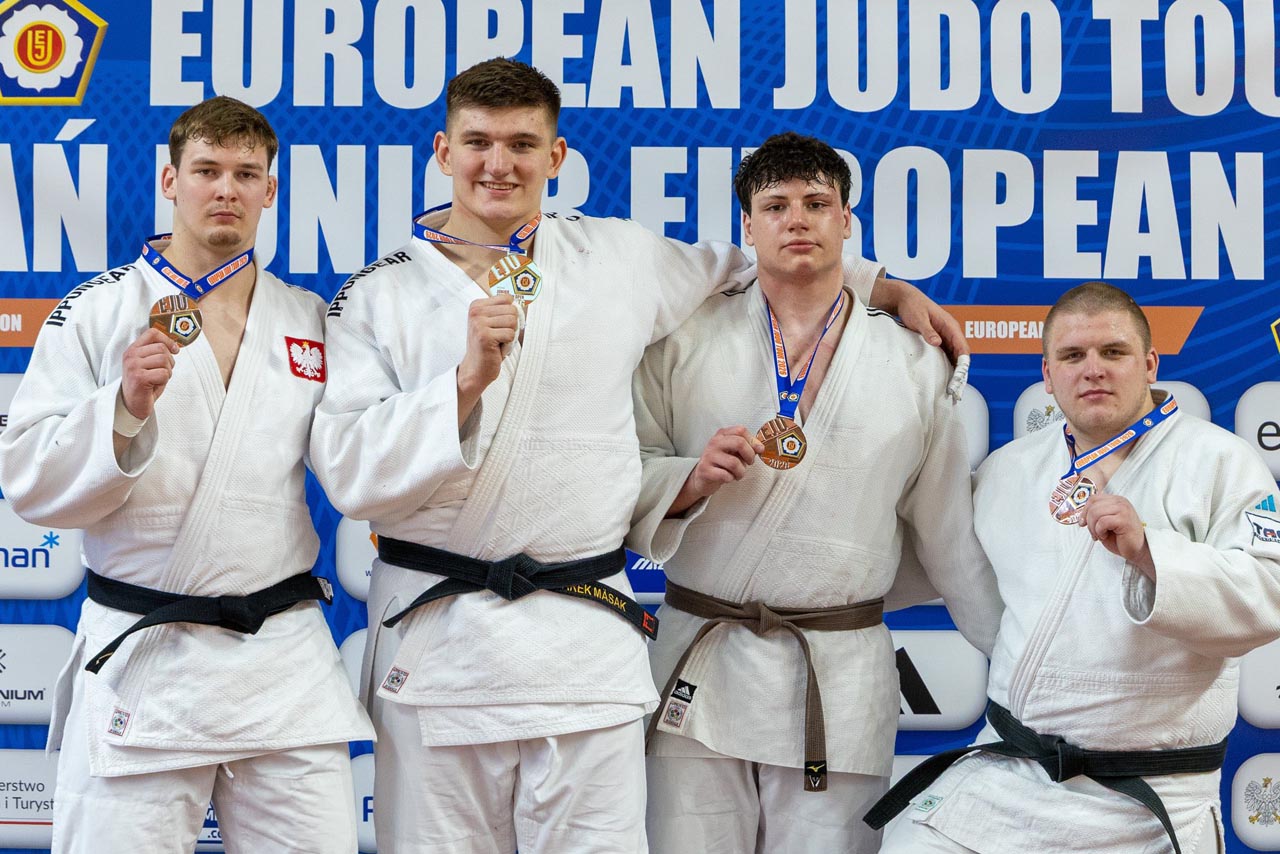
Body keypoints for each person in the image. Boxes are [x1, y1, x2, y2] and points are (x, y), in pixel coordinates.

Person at [309, 58, 964, 854]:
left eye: (523, 144)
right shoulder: (375, 296)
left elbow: (763, 260)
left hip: (585, 647)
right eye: (478, 142)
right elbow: (348, 471)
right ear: (444, 152)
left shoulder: (617, 256)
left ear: (556, 157)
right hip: (442, 647)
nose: (498, 164)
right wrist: (462, 385)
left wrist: (883, 285)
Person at [0, 96, 373, 853]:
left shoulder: (307, 317)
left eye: (246, 173)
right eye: (206, 170)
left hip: (282, 656)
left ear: (270, 190)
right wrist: (124, 407)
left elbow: (364, 452)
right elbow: (29, 479)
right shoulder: (96, 311)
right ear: (170, 180)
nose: (225, 189)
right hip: (147, 653)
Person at [627, 131, 1002, 854]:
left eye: (816, 203)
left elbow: (949, 537)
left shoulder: (915, 362)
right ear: (747, 227)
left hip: (838, 675)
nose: (796, 220)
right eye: (775, 206)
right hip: (700, 664)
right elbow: (622, 470)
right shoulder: (681, 339)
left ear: (847, 221)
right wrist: (687, 480)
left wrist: (1024, 677)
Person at [870, 281, 1280, 854]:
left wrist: (1150, 552)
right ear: (1047, 373)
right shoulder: (1009, 470)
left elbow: (1268, 595)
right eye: (1072, 356)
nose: (1093, 370)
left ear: (1150, 363)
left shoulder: (1221, 462)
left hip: (1146, 799)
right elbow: (940, 565)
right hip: (1012, 776)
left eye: (1113, 352)